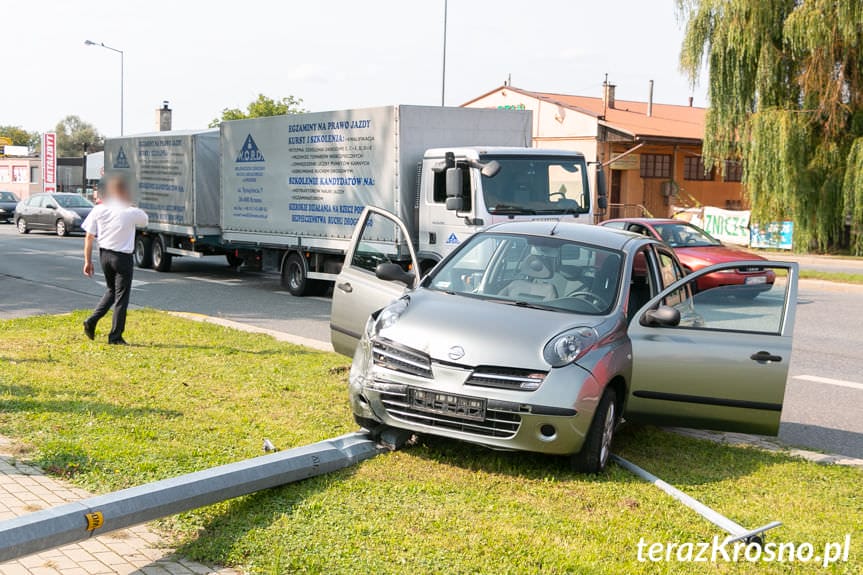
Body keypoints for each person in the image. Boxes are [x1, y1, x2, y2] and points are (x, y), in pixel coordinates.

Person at [81, 176, 148, 345]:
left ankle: (92, 320)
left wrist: (87, 261)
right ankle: (115, 336)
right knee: (121, 297)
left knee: (112, 291)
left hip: (104, 255)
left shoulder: (99, 209)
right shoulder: (131, 211)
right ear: (125, 192)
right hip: (122, 258)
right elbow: (145, 221)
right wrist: (131, 204)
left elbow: (89, 236)